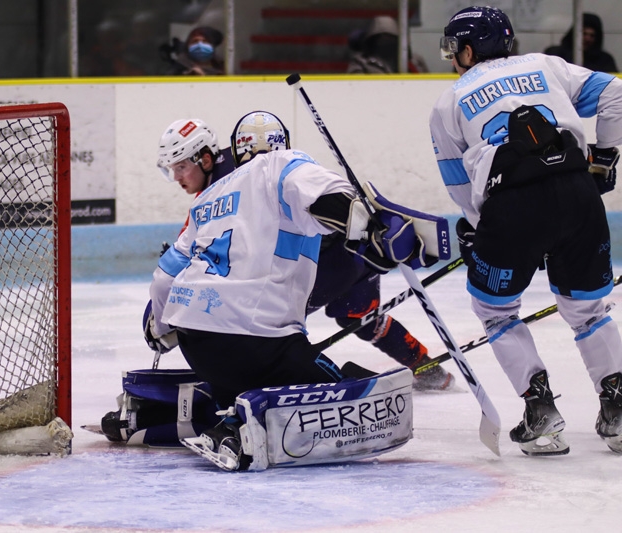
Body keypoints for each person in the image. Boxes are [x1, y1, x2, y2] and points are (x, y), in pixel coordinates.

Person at [146, 110, 447, 470]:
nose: (178, 177)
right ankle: (246, 421)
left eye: (181, 166)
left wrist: (160, 325)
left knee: (279, 355)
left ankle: (229, 417)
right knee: (351, 389)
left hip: (196, 338)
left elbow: (164, 278)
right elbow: (329, 197)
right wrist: (368, 227)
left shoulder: (207, 199)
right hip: (255, 333)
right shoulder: (280, 163)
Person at [430, 5, 622, 456]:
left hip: (511, 206)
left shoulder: (449, 100)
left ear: (470, 50)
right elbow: (614, 92)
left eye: (456, 48)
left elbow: (458, 181)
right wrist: (606, 158)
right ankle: (618, 409)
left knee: (496, 311)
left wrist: (483, 228)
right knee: (589, 310)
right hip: (578, 195)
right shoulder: (545, 65)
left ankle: (540, 410)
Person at [347, 16, 429, 74]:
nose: (386, 42)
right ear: (372, 40)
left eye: (390, 38)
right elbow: (356, 88)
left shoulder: (415, 62)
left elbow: (429, 86)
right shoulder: (361, 63)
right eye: (381, 39)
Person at [543, 12, 617, 73]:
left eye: (592, 35)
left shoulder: (605, 60)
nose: (587, 39)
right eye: (584, 34)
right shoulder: (555, 54)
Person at [160, 26, 225, 76]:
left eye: (205, 41)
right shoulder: (177, 69)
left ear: (212, 45)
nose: (200, 45)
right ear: (188, 46)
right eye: (195, 41)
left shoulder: (224, 68)